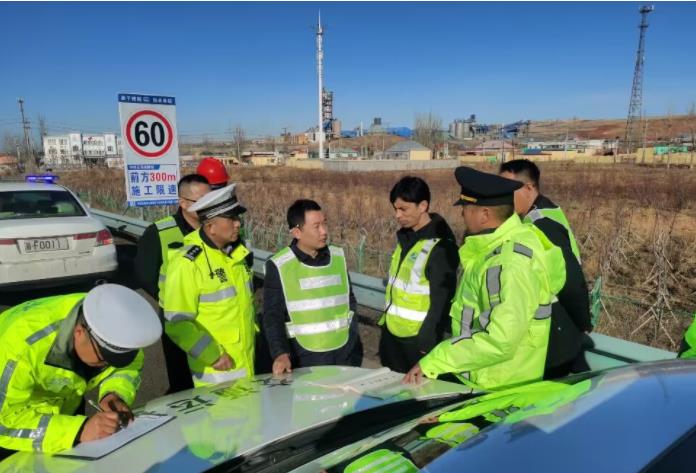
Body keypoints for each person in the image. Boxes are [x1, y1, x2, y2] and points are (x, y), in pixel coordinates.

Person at [404, 167, 565, 390]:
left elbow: (501, 341)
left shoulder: (509, 264)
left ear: (484, 214)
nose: (462, 214)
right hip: (485, 375)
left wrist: (435, 360)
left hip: (497, 386)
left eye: (466, 208)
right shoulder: (504, 243)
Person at [0, 284, 161, 458]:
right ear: (79, 332)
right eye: (103, 358)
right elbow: (4, 424)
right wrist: (78, 430)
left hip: (62, 405)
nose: (107, 365)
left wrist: (113, 394)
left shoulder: (106, 319)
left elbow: (127, 365)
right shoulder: (18, 350)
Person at [499, 159, 592, 378]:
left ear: (529, 188)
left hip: (556, 327)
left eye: (507, 189)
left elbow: (570, 280)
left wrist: (582, 322)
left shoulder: (541, 225)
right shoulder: (542, 211)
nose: (502, 196)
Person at [162, 183, 256, 387]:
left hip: (247, 364)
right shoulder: (188, 263)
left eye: (237, 218)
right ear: (210, 227)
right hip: (217, 373)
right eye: (231, 219)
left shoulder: (235, 254)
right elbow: (176, 323)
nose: (238, 224)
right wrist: (212, 355)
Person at [262, 199, 362, 376]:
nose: (324, 231)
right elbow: (272, 314)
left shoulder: (338, 257)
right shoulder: (280, 265)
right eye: (316, 226)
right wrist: (280, 354)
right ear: (297, 232)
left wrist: (352, 340)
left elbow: (349, 301)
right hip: (304, 357)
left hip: (344, 353)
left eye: (325, 223)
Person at [134, 173, 211, 393]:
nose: (208, 206)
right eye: (202, 201)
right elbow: (145, 275)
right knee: (182, 381)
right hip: (177, 318)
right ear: (183, 203)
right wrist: (172, 298)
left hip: (212, 315)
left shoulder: (217, 228)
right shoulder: (159, 232)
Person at [379, 176, 459, 373]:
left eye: (403, 209)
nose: (397, 215)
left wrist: (427, 344)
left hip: (417, 343)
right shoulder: (406, 238)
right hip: (392, 335)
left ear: (423, 206)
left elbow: (441, 302)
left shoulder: (441, 247)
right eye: (395, 209)